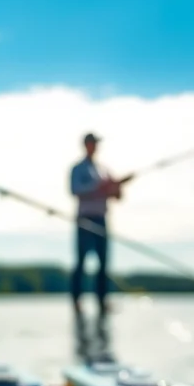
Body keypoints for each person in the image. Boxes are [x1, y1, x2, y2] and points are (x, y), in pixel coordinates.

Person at [69, 133, 130, 315]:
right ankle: (77, 301)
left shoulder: (104, 169)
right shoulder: (77, 169)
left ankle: (102, 302)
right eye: (92, 143)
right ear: (85, 145)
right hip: (84, 219)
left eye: (96, 143)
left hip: (102, 219)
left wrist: (117, 186)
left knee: (103, 263)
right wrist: (100, 187)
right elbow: (75, 191)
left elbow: (116, 196)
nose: (94, 146)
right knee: (81, 262)